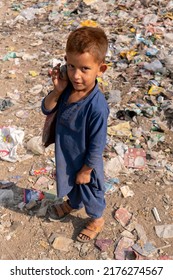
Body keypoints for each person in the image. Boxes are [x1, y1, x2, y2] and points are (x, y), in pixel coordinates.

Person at [41, 26, 109, 243]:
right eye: (71, 66)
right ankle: (73, 203)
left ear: (101, 69)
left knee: (90, 189)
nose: (76, 75)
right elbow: (46, 107)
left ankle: (97, 218)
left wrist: (87, 169)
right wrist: (58, 90)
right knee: (69, 181)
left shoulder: (97, 106)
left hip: (86, 160)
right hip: (67, 153)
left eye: (84, 69)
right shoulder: (67, 88)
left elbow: (98, 145)